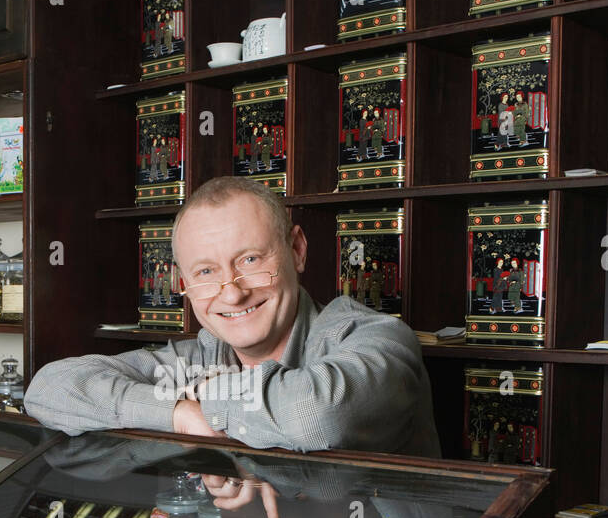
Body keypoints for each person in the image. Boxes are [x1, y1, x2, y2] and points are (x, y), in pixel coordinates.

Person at [24, 175, 439, 461]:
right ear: (183, 284)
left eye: (251, 259)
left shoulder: (377, 338)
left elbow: (317, 414)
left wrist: (206, 397)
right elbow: (49, 389)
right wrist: (180, 416)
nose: (232, 291)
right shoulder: (200, 357)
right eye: (206, 272)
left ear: (297, 250)